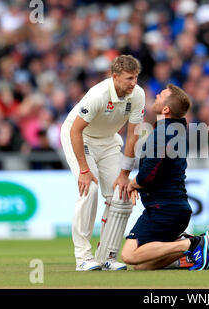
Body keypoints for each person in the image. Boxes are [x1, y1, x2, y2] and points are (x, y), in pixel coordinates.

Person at [60, 55, 145, 271]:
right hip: (81, 138)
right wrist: (85, 170)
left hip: (108, 141)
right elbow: (75, 130)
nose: (133, 83)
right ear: (115, 77)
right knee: (90, 189)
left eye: (135, 77)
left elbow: (133, 134)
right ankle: (83, 258)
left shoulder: (138, 95)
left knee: (121, 193)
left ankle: (107, 255)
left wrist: (125, 174)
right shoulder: (98, 94)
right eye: (128, 78)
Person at [121, 84, 209, 271]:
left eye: (161, 95)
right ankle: (191, 249)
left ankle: (193, 245)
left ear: (166, 109)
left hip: (164, 209)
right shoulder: (176, 131)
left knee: (129, 255)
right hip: (175, 209)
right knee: (143, 267)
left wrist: (133, 184)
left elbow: (148, 174)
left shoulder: (163, 133)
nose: (156, 95)